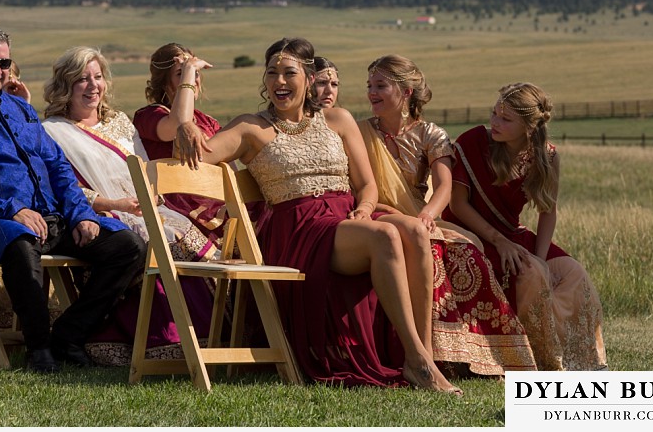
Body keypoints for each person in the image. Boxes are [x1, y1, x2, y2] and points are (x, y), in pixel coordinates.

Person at [172, 37, 461, 393]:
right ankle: (418, 363)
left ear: (309, 79)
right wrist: (187, 92)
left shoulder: (337, 119)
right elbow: (191, 153)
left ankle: (425, 355)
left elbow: (367, 184)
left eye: (289, 73)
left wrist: (365, 209)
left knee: (416, 231)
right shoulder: (251, 128)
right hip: (298, 229)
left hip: (347, 217)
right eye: (272, 73)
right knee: (385, 236)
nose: (279, 81)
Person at [0, 25, 147, 373]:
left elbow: (58, 168)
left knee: (128, 246)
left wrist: (81, 213)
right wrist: (12, 209)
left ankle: (68, 336)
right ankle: (39, 349)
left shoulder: (21, 111)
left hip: (54, 218)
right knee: (20, 244)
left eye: (4, 62)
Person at [41, 46, 219, 364]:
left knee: (182, 232)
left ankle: (208, 335)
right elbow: (62, 191)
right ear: (66, 85)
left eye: (98, 77)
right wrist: (116, 204)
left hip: (146, 206)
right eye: (82, 79)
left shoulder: (120, 123)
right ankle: (159, 340)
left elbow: (146, 169)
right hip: (98, 215)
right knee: (156, 239)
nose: (93, 85)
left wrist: (151, 198)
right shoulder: (52, 132)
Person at [358, 55, 536, 375]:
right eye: (370, 85)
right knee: (431, 250)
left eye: (381, 85)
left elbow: (443, 186)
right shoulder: (359, 132)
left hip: (418, 213)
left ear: (406, 92)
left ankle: (467, 354)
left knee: (466, 250)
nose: (372, 92)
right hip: (376, 213)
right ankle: (421, 353)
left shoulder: (431, 134)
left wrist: (427, 215)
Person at [443, 82, 607, 371]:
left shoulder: (548, 156)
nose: (495, 122)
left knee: (573, 274)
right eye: (494, 113)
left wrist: (542, 259)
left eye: (506, 119)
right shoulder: (474, 141)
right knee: (529, 274)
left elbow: (548, 212)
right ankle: (534, 358)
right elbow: (458, 205)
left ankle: (582, 359)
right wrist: (502, 243)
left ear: (530, 126)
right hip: (469, 232)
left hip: (512, 233)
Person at [132, 43, 227, 247]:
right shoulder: (150, 115)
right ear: (165, 84)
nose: (192, 80)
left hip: (216, 205)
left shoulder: (208, 121)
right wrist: (190, 71)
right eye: (181, 74)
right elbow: (178, 124)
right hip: (179, 209)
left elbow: (228, 171)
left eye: (195, 74)